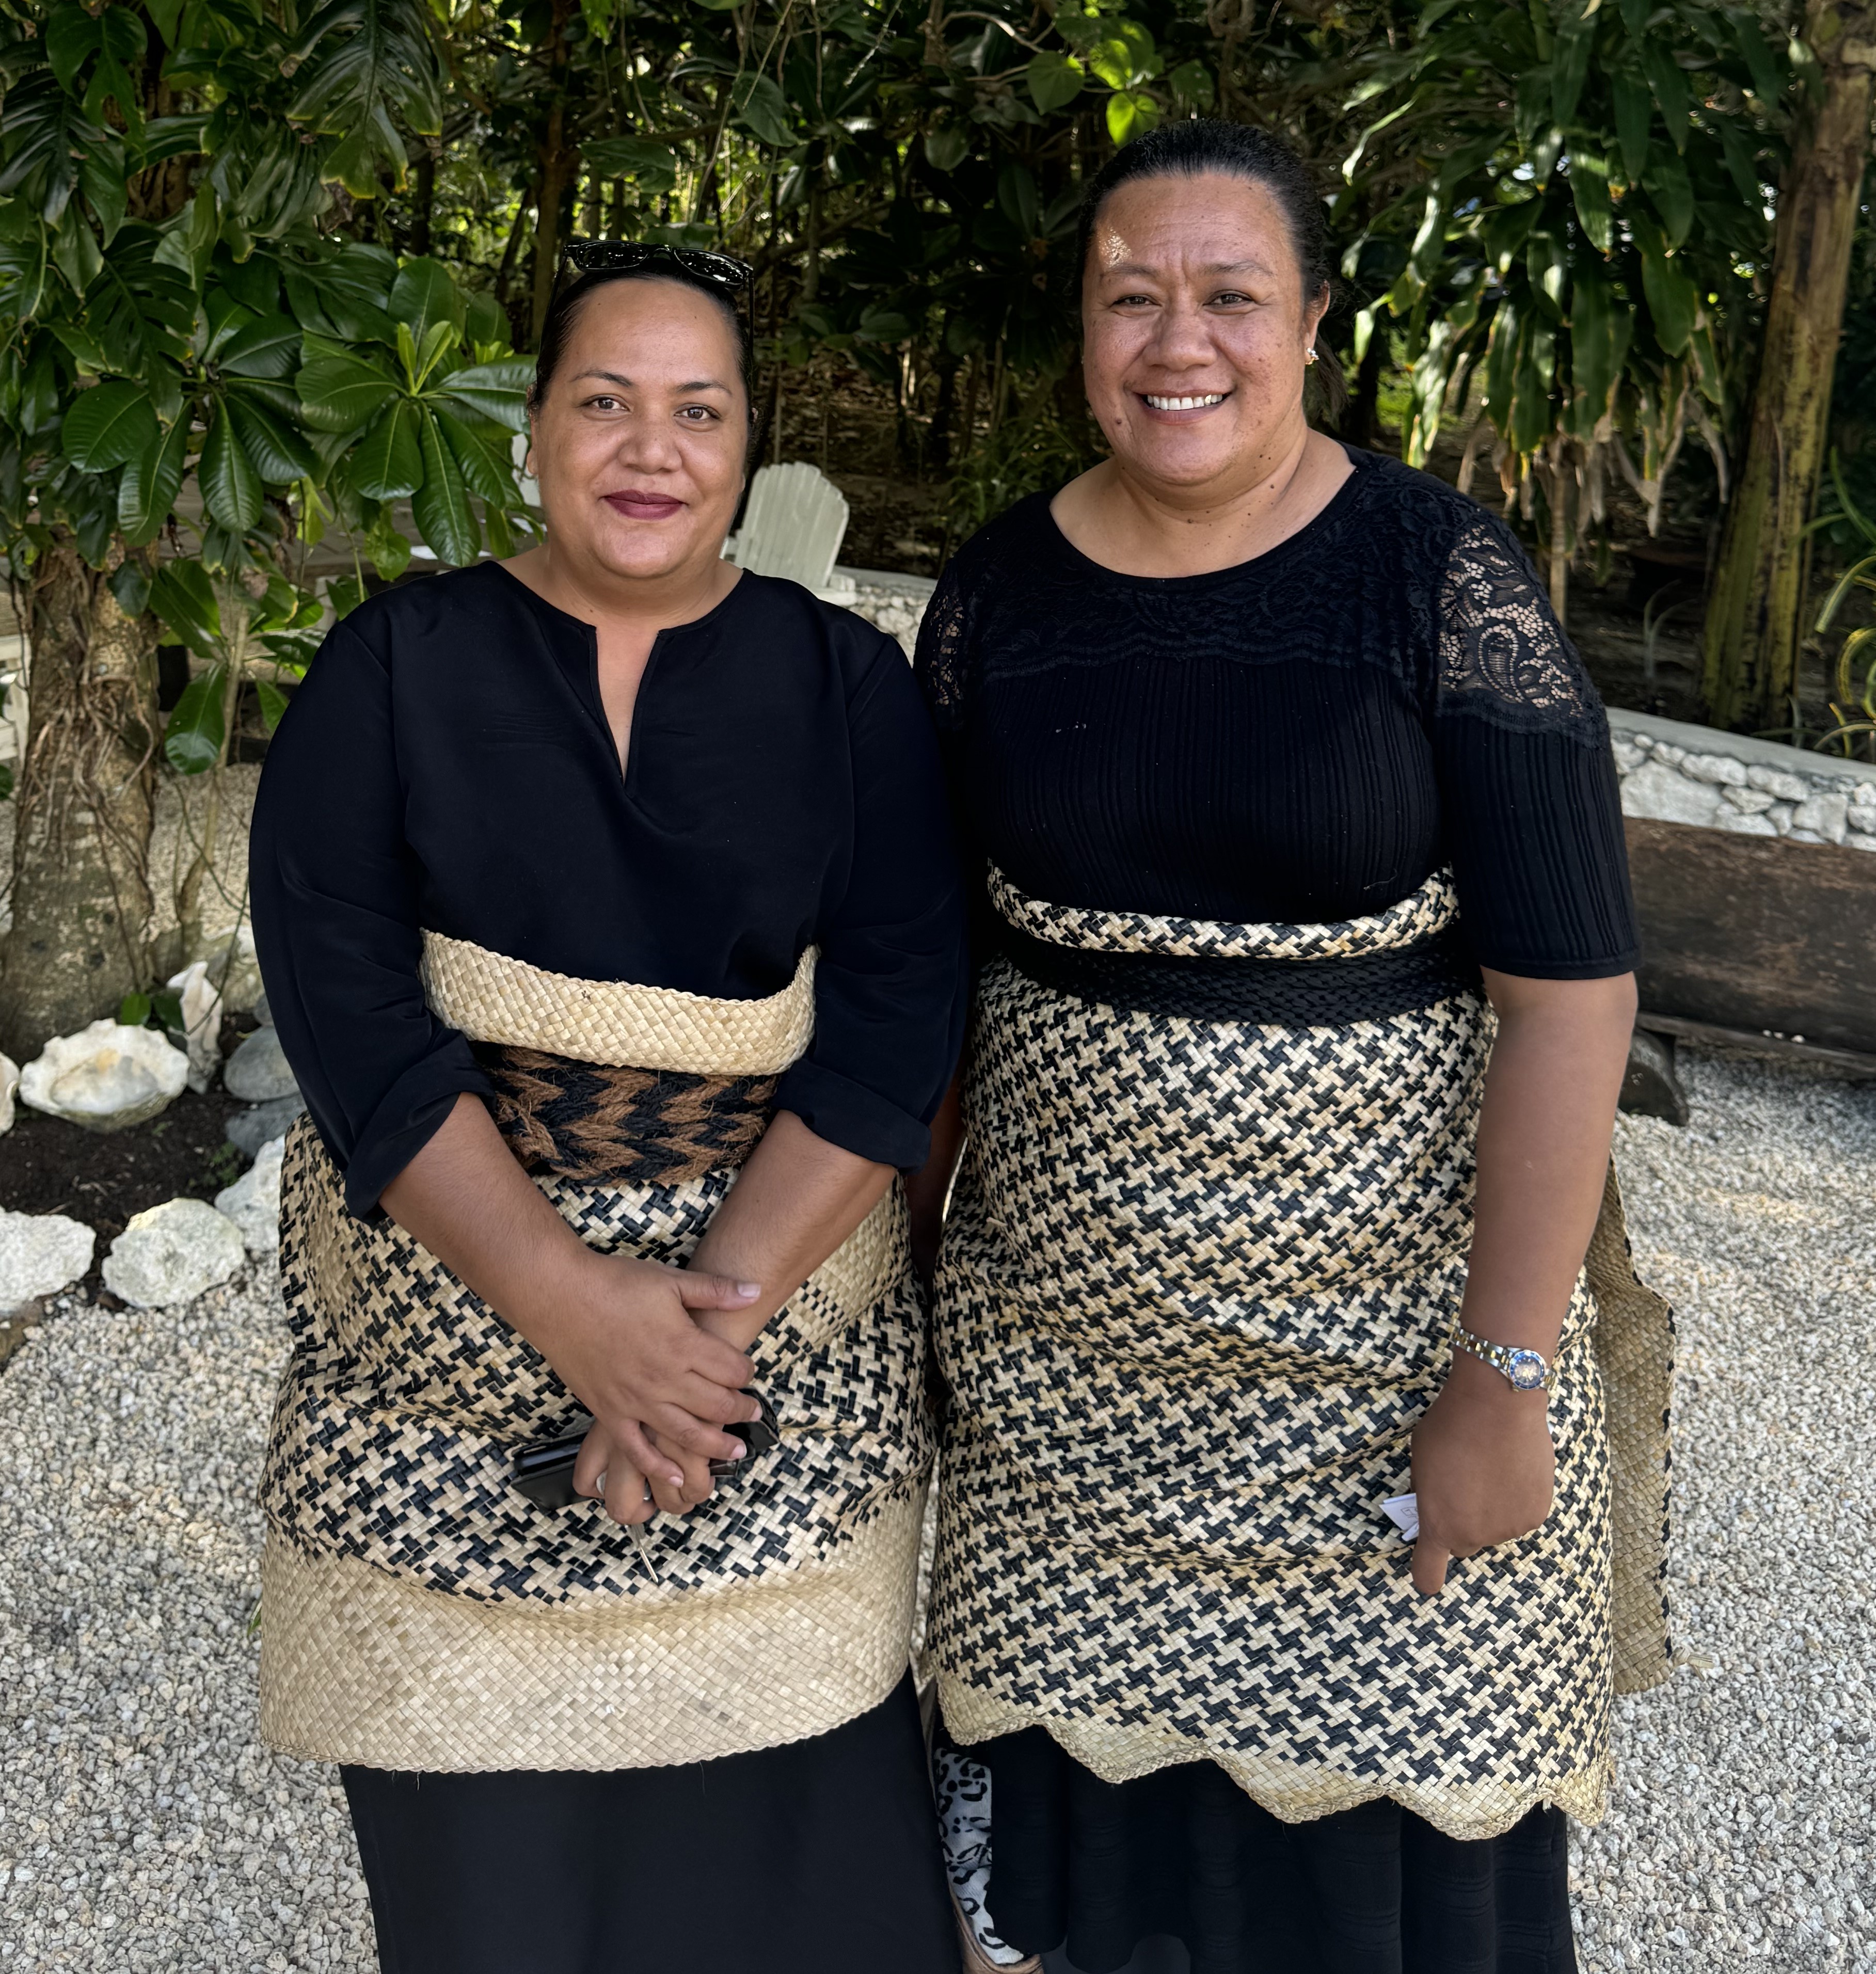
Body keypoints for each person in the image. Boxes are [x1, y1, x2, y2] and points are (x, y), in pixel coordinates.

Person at [910, 121, 1673, 1974]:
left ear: (1314, 323)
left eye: (1230, 296)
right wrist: (899, 1285)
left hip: (1387, 1383)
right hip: (1066, 1403)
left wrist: (1501, 1378)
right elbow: (929, 980)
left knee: (1396, 1877)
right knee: (1104, 1893)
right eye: (1130, 298)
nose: (1178, 341)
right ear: (1081, 328)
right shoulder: (997, 597)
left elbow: (1570, 996)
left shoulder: (1433, 576)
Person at [249, 241, 967, 1974]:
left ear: (749, 446)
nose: (651, 449)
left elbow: (896, 1018)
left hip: (771, 1383)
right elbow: (349, 1016)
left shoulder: (845, 684)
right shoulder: (393, 665)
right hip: (442, 1384)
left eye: (697, 411)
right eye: (604, 402)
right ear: (533, 432)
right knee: (498, 1901)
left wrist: (690, 1351)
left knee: (809, 1887)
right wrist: (576, 1314)